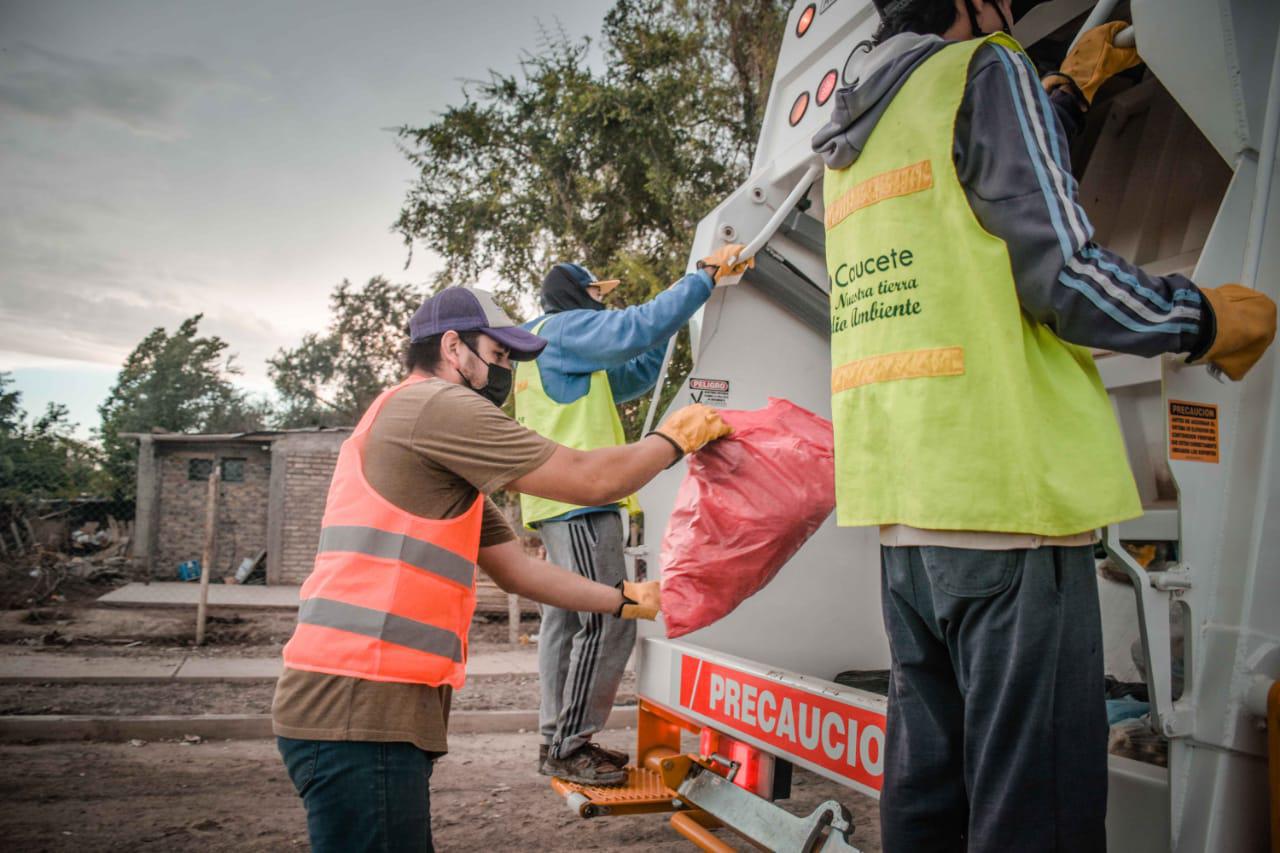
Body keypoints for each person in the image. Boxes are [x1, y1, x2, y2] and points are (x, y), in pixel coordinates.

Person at [811, 1, 1276, 851]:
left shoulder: (858, 128)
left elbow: (970, 208)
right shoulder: (987, 67)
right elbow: (1064, 276)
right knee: (1038, 810)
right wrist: (1201, 319)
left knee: (931, 789)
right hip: (1009, 506)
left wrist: (1060, 96)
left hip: (907, 517)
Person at [271, 285, 732, 852]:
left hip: (365, 704)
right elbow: (591, 479)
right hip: (359, 703)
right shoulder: (437, 405)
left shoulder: (418, 435)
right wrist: (674, 438)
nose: (505, 370)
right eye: (496, 356)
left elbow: (517, 570)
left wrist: (626, 600)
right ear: (452, 347)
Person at [516, 247, 751, 785]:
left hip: (557, 501)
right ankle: (569, 746)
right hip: (579, 500)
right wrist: (701, 280)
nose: (603, 304)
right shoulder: (564, 329)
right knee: (609, 616)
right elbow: (632, 328)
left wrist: (679, 321)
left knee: (566, 621)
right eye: (598, 294)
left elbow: (638, 364)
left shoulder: (543, 347)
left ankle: (555, 738)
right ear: (578, 295)